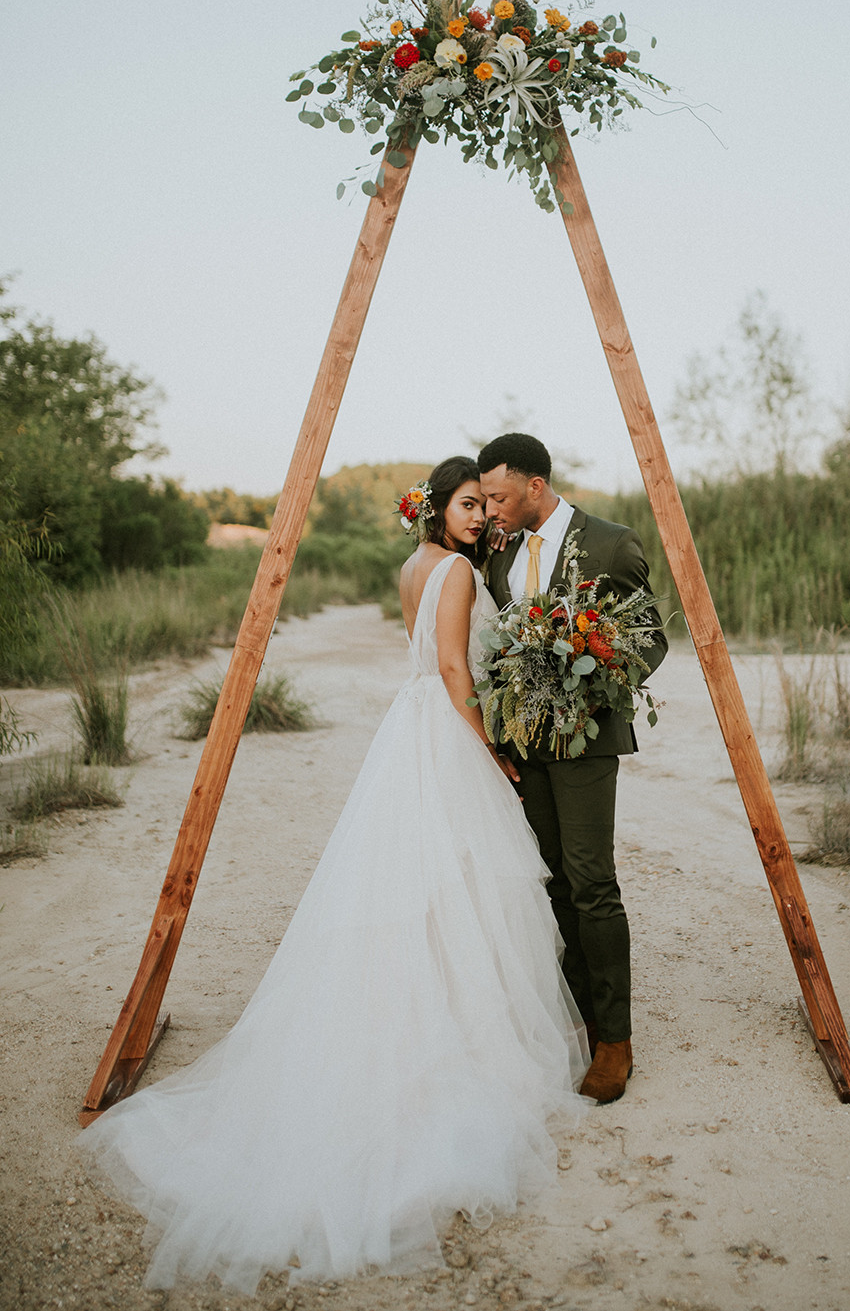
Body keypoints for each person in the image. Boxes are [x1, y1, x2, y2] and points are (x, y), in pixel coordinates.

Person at [77, 456, 588, 1296]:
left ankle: (422, 1002)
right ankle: (459, 1029)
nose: (477, 516)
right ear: (437, 507)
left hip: (407, 725)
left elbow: (424, 657)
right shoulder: (460, 572)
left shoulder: (412, 564)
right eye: (466, 503)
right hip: (444, 727)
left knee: (417, 878)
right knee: (460, 877)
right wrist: (494, 751)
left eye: (481, 506)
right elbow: (454, 669)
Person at [477, 434, 668, 1106]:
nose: (491, 509)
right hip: (527, 742)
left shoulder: (611, 543)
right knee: (553, 880)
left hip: (586, 739)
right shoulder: (501, 552)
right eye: (484, 499)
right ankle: (581, 1015)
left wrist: (588, 682)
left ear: (534, 485)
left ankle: (615, 1041)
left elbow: (650, 637)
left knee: (592, 883)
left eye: (499, 496)